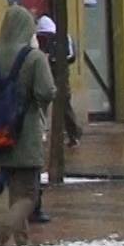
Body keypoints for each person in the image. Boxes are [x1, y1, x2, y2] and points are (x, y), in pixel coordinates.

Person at [0, 5, 54, 246]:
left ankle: (23, 244)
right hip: (26, 135)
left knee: (15, 189)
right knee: (28, 195)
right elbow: (46, 92)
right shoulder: (34, 58)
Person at [35, 15, 83, 148]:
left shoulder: (63, 37)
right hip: (46, 74)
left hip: (60, 75)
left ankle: (74, 134)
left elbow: (71, 56)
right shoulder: (42, 40)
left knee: (64, 105)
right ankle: (41, 132)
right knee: (42, 103)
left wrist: (53, 59)